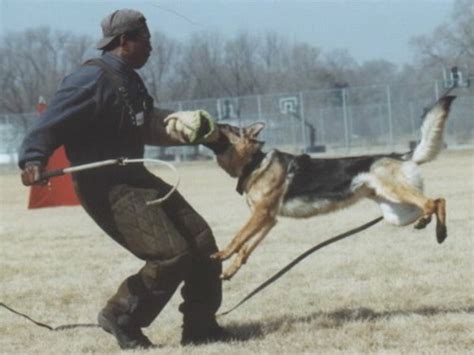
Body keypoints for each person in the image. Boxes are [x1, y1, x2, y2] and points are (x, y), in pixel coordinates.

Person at [19, 9, 231, 350]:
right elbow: (48, 125)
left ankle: (201, 326)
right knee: (170, 254)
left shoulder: (129, 78)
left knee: (203, 243)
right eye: (145, 39)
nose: (151, 47)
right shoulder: (88, 80)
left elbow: (145, 124)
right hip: (107, 185)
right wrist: (32, 159)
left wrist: (189, 130)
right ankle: (121, 316)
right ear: (124, 41)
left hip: (136, 174)